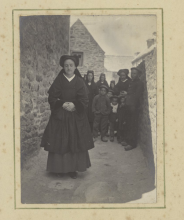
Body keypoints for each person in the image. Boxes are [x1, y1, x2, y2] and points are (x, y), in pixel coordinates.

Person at [40, 55, 94, 179]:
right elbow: (52, 98)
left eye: (71, 65)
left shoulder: (80, 81)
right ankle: (58, 168)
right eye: (66, 65)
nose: (68, 67)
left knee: (74, 141)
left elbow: (85, 99)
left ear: (75, 67)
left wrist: (75, 105)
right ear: (63, 67)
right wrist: (62, 104)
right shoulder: (59, 80)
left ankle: (72, 169)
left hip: (75, 116)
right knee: (59, 140)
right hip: (60, 116)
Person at [124, 67, 144, 151]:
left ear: (138, 74)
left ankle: (132, 144)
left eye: (134, 73)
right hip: (129, 106)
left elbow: (137, 96)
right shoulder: (132, 82)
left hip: (134, 107)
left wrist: (127, 94)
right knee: (128, 124)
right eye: (132, 73)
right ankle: (128, 140)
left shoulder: (139, 83)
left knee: (133, 125)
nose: (132, 75)